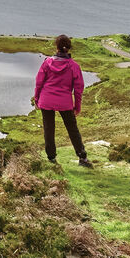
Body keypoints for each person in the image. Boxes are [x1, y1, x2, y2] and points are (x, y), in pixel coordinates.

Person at [32, 35, 92, 167]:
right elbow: (78, 89)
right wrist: (78, 105)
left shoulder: (47, 63)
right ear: (69, 48)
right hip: (65, 102)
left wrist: (37, 98)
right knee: (72, 129)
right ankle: (82, 158)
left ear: (56, 47)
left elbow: (39, 82)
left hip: (46, 100)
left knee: (49, 129)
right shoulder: (74, 66)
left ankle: (51, 159)